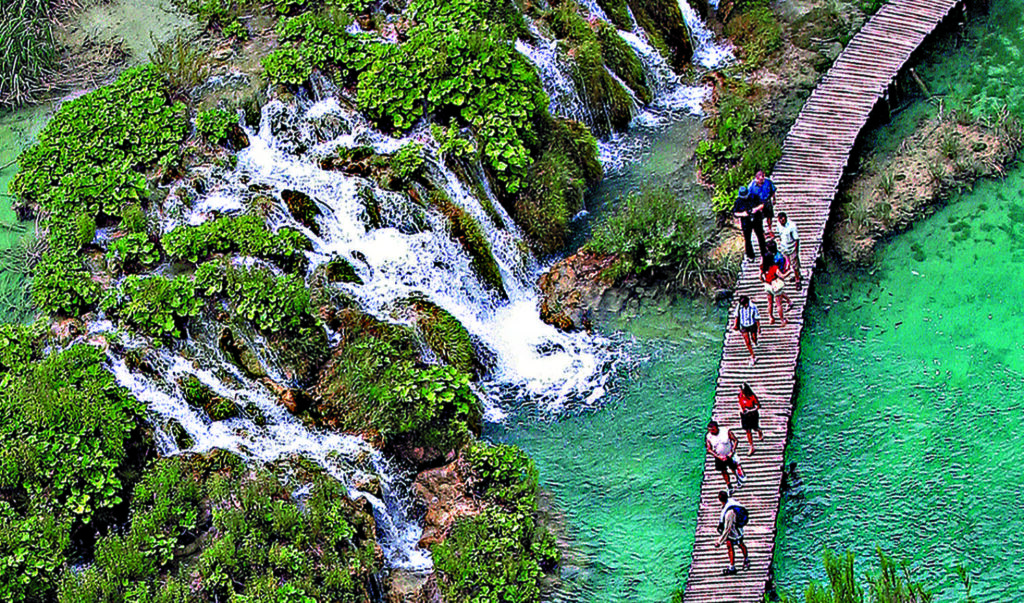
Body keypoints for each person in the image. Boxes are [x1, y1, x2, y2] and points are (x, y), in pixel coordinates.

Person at [716, 490, 750, 575]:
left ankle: (746, 559)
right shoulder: (730, 503)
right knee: (729, 547)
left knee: (740, 544)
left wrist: (719, 542)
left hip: (735, 532)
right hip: (731, 532)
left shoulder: (729, 513)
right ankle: (732, 566)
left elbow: (727, 528)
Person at [705, 420, 745, 491]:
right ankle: (729, 485)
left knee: (733, 468)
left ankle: (738, 479)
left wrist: (732, 452)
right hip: (719, 457)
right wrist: (718, 456)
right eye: (710, 430)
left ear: (717, 427)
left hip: (729, 454)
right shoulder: (709, 437)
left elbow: (735, 440)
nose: (712, 432)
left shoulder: (725, 431)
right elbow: (709, 449)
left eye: (713, 430)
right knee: (723, 471)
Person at [732, 186, 766, 261]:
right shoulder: (738, 201)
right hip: (746, 222)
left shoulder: (754, 197)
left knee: (760, 236)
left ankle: (764, 252)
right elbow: (735, 213)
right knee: (747, 239)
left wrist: (756, 209)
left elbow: (762, 204)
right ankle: (750, 255)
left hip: (756, 219)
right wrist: (743, 214)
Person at [760, 253, 791, 327]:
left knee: (770, 303)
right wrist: (789, 272)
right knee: (778, 304)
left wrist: (764, 281)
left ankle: (771, 318)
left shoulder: (762, 267)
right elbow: (782, 276)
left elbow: (760, 277)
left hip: (767, 285)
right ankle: (782, 320)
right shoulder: (774, 267)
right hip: (775, 286)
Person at [776, 211, 803, 290]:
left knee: (795, 265)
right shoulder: (778, 225)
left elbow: (796, 239)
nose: (781, 222)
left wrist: (796, 250)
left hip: (792, 248)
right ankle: (795, 275)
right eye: (780, 220)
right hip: (784, 247)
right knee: (787, 264)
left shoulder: (791, 226)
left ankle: (797, 280)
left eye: (783, 220)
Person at [748, 170, 777, 238]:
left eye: (762, 179)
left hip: (767, 201)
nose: (761, 181)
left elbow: (772, 190)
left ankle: (770, 229)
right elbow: (748, 196)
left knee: (769, 216)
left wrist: (774, 199)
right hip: (757, 203)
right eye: (760, 180)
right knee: (759, 218)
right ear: (756, 178)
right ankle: (762, 232)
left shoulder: (768, 182)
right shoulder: (751, 186)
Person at [737, 383, 763, 455]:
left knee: (754, 428)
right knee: (748, 430)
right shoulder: (740, 396)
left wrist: (750, 410)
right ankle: (751, 446)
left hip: (752, 414)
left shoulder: (752, 397)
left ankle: (759, 431)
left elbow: (758, 406)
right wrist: (741, 410)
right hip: (744, 414)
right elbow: (739, 403)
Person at [734, 295, 759, 366]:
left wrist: (759, 328)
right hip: (743, 325)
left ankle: (755, 341)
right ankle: (753, 356)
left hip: (752, 324)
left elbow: (757, 317)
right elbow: (736, 316)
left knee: (754, 337)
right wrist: (735, 325)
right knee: (747, 341)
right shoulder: (739, 307)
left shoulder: (753, 306)